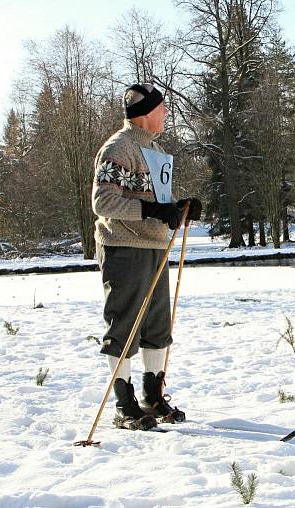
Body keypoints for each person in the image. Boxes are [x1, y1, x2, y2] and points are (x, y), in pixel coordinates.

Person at [91, 84, 202, 430]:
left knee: (157, 327)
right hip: (125, 248)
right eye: (162, 109)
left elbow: (154, 201)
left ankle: (153, 396)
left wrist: (178, 209)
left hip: (155, 247)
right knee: (124, 325)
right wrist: (154, 210)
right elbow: (104, 202)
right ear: (145, 113)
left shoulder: (154, 149)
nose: (166, 114)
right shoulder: (118, 148)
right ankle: (124, 405)